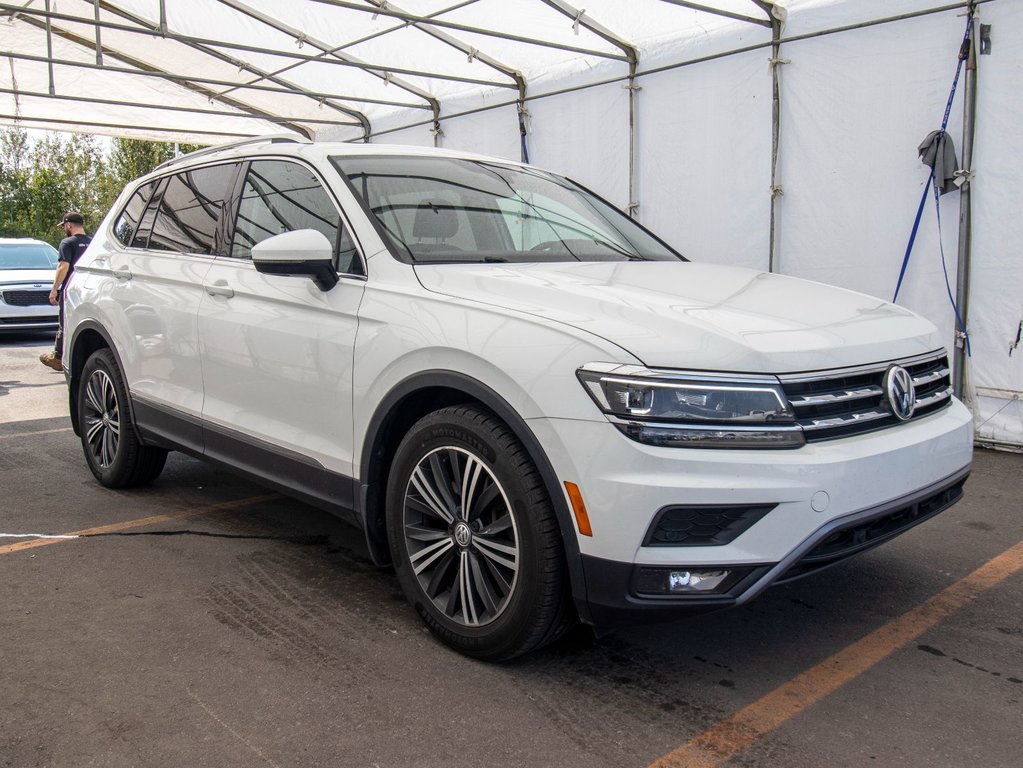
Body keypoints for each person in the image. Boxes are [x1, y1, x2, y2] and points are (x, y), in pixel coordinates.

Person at [39, 212, 91, 372]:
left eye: (64, 226)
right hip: (90, 290)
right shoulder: (93, 242)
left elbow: (63, 266)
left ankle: (58, 356)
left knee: (65, 323)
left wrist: (54, 289)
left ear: (69, 225)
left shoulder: (67, 242)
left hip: (71, 289)